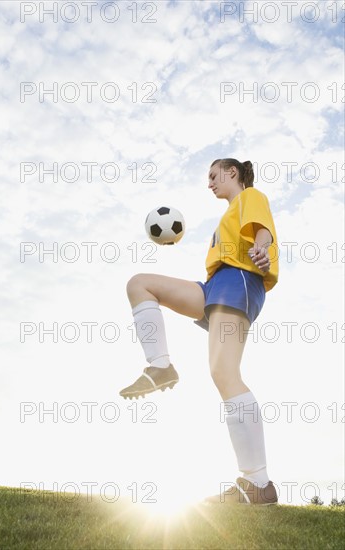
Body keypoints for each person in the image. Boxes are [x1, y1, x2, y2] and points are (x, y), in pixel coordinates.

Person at [120, 158, 279, 505]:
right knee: (140, 285)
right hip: (215, 286)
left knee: (224, 373)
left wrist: (262, 247)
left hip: (239, 281)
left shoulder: (250, 197)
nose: (209, 183)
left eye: (213, 176)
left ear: (232, 172)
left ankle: (257, 483)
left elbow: (262, 229)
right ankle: (160, 367)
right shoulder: (229, 213)